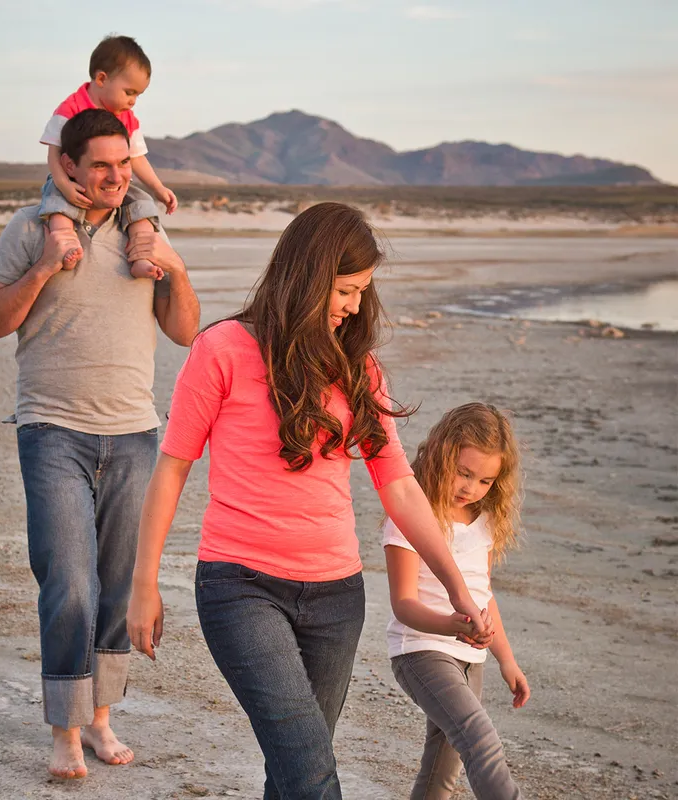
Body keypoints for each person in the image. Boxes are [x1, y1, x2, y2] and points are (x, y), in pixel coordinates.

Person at [126, 202, 490, 799]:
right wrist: (143, 585)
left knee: (294, 772)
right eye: (345, 289)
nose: (352, 306)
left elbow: (398, 485)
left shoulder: (358, 368)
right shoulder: (221, 349)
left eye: (361, 292)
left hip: (337, 598)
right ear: (309, 276)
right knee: (310, 770)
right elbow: (171, 471)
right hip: (240, 587)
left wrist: (455, 585)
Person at [0, 108, 200, 780]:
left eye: (123, 164)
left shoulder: (145, 234)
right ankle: (65, 730)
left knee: (113, 585)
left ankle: (101, 719)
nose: (113, 176)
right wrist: (43, 267)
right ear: (68, 165)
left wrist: (177, 272)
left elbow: (185, 332)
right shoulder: (34, 227)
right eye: (100, 165)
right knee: (68, 582)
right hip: (51, 430)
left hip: (133, 434)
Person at [383, 402, 530, 799]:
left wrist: (507, 659)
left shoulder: (483, 520)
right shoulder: (413, 516)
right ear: (440, 454)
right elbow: (403, 604)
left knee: (442, 772)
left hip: (472, 659)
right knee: (480, 738)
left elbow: (484, 594)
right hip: (421, 650)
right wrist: (453, 624)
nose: (471, 488)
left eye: (484, 481)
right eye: (463, 473)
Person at [39, 34, 177, 280]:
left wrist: (157, 187)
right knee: (56, 203)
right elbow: (54, 155)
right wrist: (65, 186)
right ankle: (65, 245)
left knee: (141, 205)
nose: (132, 101)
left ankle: (141, 257)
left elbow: (135, 158)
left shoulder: (127, 118)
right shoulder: (69, 109)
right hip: (67, 179)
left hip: (113, 187)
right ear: (102, 78)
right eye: (129, 92)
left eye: (138, 95)